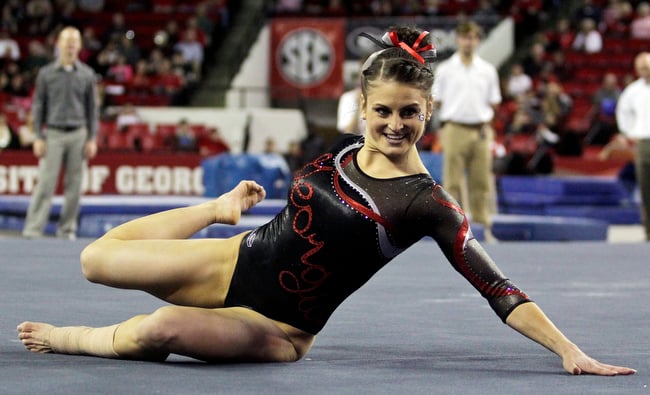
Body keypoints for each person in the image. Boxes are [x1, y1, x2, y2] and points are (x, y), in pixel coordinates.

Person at [17, 25, 635, 376]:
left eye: (410, 113)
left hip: (276, 325)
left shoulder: (428, 204)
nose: (395, 125)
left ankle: (73, 336)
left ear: (429, 112)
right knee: (95, 260)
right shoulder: (337, 148)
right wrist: (219, 210)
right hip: (233, 257)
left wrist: (569, 350)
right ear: (363, 106)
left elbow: (501, 289)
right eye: (383, 111)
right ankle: (217, 210)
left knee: (163, 328)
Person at [21, 26, 99, 240]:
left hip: (78, 134)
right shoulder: (46, 74)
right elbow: (38, 106)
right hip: (53, 134)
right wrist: (38, 135)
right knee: (45, 184)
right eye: (67, 40)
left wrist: (92, 138)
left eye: (75, 40)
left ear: (80, 46)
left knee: (74, 186)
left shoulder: (87, 74)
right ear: (59, 44)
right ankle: (33, 230)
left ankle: (67, 230)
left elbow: (93, 109)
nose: (71, 44)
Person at [432, 21, 501, 236]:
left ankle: (484, 226)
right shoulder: (445, 70)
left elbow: (494, 101)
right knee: (452, 180)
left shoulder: (487, 70)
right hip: (454, 127)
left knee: (481, 180)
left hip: (480, 129)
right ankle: (455, 228)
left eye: (472, 37)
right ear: (458, 40)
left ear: (477, 40)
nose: (468, 42)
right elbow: (438, 100)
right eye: (464, 37)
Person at [615, 52, 650, 241]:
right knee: (646, 188)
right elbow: (623, 112)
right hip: (644, 142)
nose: (644, 72)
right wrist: (629, 132)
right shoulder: (633, 91)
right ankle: (649, 232)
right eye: (641, 69)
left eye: (646, 68)